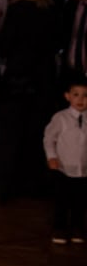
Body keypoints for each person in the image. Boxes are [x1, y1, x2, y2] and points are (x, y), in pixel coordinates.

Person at [0, 0, 58, 201]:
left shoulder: (18, 10)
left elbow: (3, 46)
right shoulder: (51, 10)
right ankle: (35, 185)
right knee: (37, 135)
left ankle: (5, 187)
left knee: (9, 134)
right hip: (44, 81)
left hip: (19, 80)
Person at [44, 76, 87, 244]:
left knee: (81, 200)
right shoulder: (60, 118)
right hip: (64, 168)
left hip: (83, 169)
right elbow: (48, 138)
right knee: (62, 200)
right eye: (76, 94)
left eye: (85, 95)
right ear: (67, 96)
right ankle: (59, 228)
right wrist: (51, 157)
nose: (81, 99)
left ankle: (77, 227)